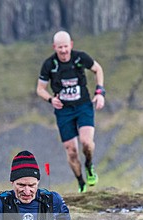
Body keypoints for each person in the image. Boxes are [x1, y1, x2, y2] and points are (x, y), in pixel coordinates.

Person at [36, 30, 105, 193]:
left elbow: (98, 69)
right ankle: (81, 183)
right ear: (55, 47)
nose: (64, 51)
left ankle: (89, 165)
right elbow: (40, 89)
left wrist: (100, 92)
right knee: (71, 151)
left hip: (83, 106)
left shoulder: (80, 58)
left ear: (71, 45)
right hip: (64, 111)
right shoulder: (49, 65)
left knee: (87, 142)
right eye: (60, 48)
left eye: (66, 47)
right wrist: (51, 99)